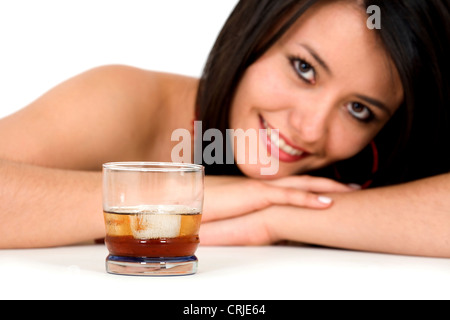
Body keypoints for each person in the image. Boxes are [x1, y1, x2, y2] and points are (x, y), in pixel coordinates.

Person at [0, 0, 449, 257]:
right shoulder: (128, 101)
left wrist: (277, 217)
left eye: (358, 109)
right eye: (304, 68)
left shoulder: (380, 156)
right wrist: (195, 196)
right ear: (251, 36)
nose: (310, 129)